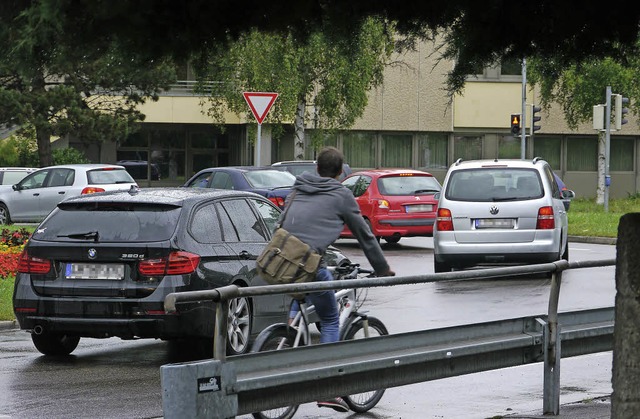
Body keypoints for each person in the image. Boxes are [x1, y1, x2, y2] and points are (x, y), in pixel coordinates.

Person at [278, 146, 395, 412]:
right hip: (309, 262)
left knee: (303, 287)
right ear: (341, 172)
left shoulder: (299, 187)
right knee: (330, 318)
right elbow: (364, 234)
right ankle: (328, 390)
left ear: (316, 167)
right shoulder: (340, 194)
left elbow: (285, 222)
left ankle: (290, 329)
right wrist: (382, 267)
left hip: (283, 260)